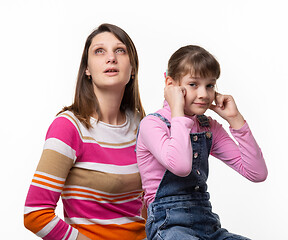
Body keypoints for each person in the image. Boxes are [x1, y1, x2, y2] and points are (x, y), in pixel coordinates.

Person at [24, 23, 146, 240]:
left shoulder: (143, 125)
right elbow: (35, 213)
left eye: (120, 50)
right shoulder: (69, 127)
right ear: (87, 69)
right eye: (100, 51)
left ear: (133, 67)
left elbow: (150, 201)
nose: (111, 58)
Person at [135, 45, 268, 240]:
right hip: (168, 226)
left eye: (210, 85)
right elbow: (180, 166)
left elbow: (257, 173)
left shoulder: (208, 127)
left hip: (207, 225)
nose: (204, 94)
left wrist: (235, 119)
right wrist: (177, 111)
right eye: (193, 84)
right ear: (170, 85)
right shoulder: (153, 124)